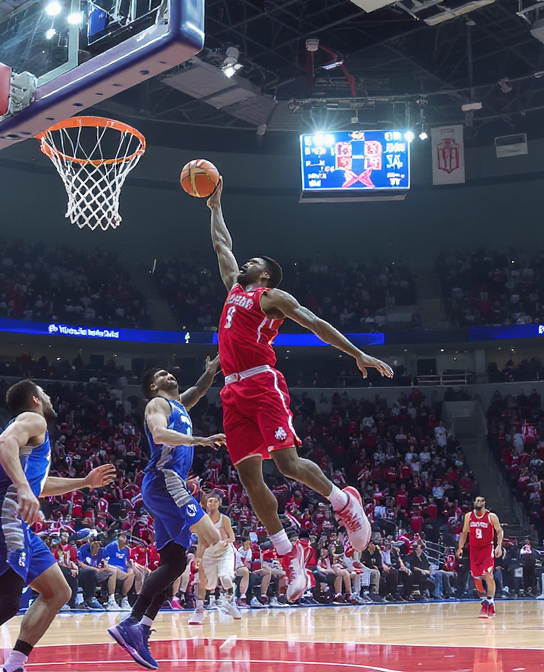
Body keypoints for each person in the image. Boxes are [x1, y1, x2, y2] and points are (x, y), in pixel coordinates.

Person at [205, 181, 386, 600]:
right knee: (249, 478)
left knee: (286, 464)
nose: (244, 262)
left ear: (265, 274)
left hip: (262, 382)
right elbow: (221, 246)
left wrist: (357, 354)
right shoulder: (234, 288)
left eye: (253, 262)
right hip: (232, 392)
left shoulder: (273, 297)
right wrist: (215, 206)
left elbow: (316, 324)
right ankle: (290, 556)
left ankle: (344, 501)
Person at [0, 380, 116, 672]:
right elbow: (3, 443)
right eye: (44, 393)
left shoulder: (33, 436)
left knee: (58, 591)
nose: (49, 396)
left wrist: (84, 482)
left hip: (11, 518)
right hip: (2, 515)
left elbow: (40, 486)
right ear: (34, 398)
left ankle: (14, 664)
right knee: (6, 603)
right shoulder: (33, 419)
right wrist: (23, 489)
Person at [108, 362, 226, 669]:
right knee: (213, 537)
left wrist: (213, 369)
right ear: (152, 387)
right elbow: (159, 434)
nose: (169, 374)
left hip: (167, 485)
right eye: (161, 374)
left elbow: (199, 390)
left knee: (174, 563)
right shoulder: (157, 404)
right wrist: (199, 441)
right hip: (165, 482)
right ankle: (131, 621)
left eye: (169, 372)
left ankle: (140, 629)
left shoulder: (179, 404)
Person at [191, 493, 243, 624]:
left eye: (214, 501)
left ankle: (231, 601)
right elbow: (201, 542)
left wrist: (226, 540)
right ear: (206, 504)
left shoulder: (224, 519)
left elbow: (232, 537)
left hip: (225, 552)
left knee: (225, 577)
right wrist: (198, 557)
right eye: (210, 502)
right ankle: (199, 610)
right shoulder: (202, 521)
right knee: (202, 582)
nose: (212, 504)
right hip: (209, 553)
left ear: (219, 504)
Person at [456, 496, 503, 619]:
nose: (478, 502)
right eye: (476, 500)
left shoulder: (491, 516)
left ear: (484, 503)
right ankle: (484, 601)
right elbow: (464, 533)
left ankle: (491, 602)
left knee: (487, 574)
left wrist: (499, 546)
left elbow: (499, 531)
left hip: (487, 549)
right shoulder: (468, 516)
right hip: (474, 550)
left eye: (480, 501)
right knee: (476, 577)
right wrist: (460, 548)